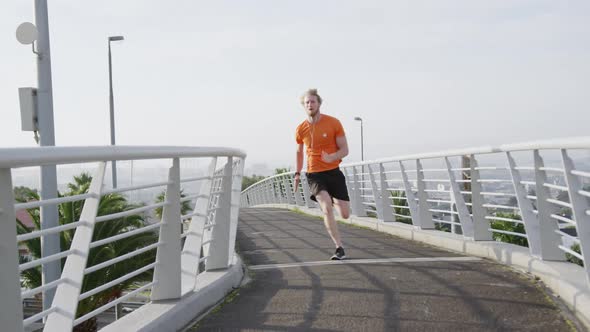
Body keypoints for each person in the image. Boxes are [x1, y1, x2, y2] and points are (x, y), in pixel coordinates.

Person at [293, 89, 351, 260]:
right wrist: (297, 173)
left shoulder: (333, 123)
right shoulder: (301, 129)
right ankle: (339, 247)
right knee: (326, 208)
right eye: (307, 102)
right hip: (314, 174)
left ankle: (333, 199)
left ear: (319, 103)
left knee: (345, 214)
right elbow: (299, 152)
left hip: (333, 172)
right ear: (304, 106)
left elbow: (345, 150)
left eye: (312, 101)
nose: (310, 105)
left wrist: (331, 157)